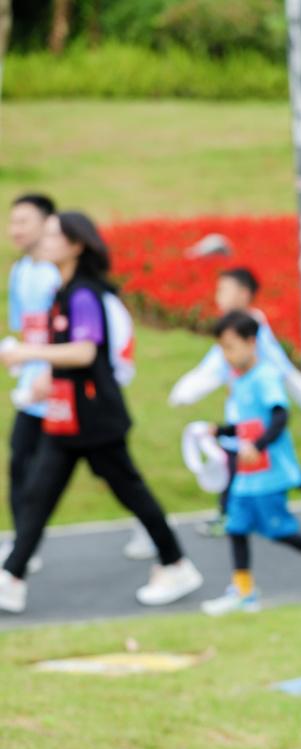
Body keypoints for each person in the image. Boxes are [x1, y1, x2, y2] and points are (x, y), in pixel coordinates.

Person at [0, 212, 201, 614]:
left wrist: (27, 354)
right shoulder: (63, 291)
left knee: (131, 491)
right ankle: (12, 578)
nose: (44, 240)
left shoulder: (83, 294)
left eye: (54, 235)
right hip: (66, 416)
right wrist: (47, 377)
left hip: (94, 418)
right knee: (38, 494)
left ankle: (176, 564)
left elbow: (85, 351)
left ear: (76, 245)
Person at [154, 266, 301, 554]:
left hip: (258, 413)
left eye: (223, 289)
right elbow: (215, 366)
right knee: (256, 465)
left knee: (262, 469)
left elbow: (278, 366)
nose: (218, 295)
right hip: (243, 412)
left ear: (243, 293)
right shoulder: (232, 329)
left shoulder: (250, 330)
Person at [198, 311, 301, 615]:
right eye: (222, 348)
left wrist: (258, 446)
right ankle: (244, 593)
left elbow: (279, 416)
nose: (226, 355)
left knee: (279, 530)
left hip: (268, 473)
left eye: (230, 347)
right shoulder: (239, 380)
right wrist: (218, 431)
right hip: (247, 475)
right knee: (236, 526)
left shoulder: (264, 376)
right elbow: (245, 425)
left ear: (251, 342)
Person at [2, 194, 60, 576]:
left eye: (24, 221)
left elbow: (73, 332)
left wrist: (52, 372)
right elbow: (26, 330)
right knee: (20, 462)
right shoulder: (20, 271)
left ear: (47, 222)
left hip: (63, 388)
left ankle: (151, 530)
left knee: (107, 464)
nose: (15, 230)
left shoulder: (59, 274)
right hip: (31, 392)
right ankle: (24, 546)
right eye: (12, 222)